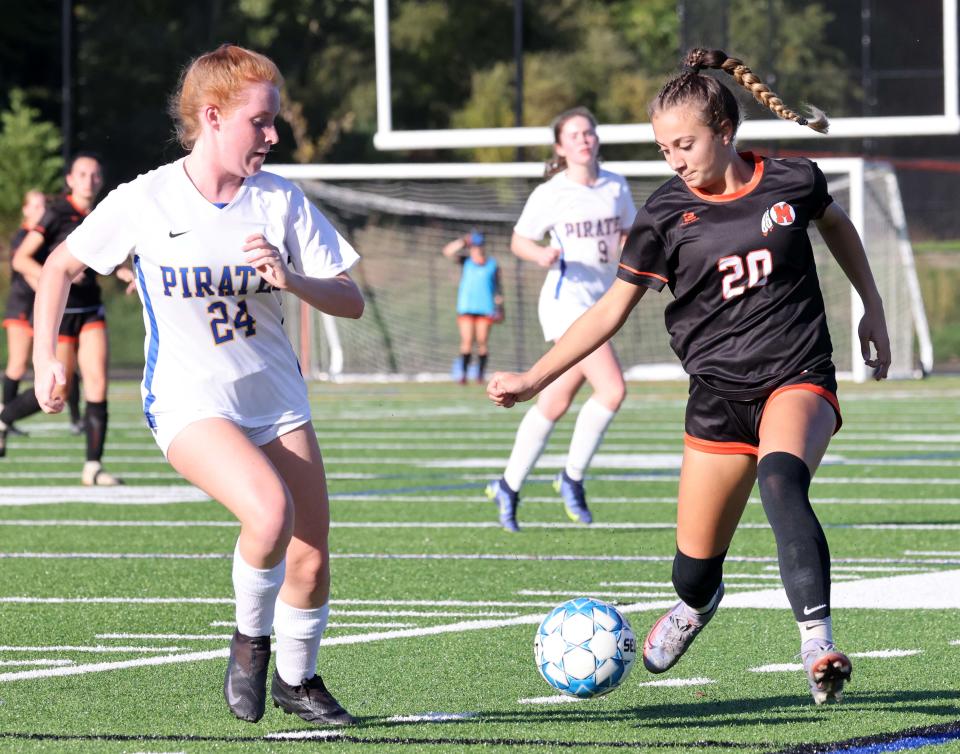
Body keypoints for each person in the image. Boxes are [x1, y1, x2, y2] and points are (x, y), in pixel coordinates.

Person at [487, 48, 891, 705]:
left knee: (782, 479)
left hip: (797, 375)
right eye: (663, 148)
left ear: (725, 132)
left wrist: (872, 308)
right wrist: (535, 378)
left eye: (685, 144)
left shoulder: (793, 182)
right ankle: (697, 606)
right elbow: (610, 310)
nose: (674, 159)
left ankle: (818, 642)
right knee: (693, 571)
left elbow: (838, 226)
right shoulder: (664, 214)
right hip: (716, 397)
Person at [32, 44, 363, 726]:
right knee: (269, 514)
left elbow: (351, 297)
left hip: (276, 401)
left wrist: (291, 278)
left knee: (310, 556)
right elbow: (60, 268)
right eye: (261, 121)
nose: (274, 135)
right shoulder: (146, 199)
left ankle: (297, 683)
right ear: (212, 116)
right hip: (189, 403)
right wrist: (45, 358)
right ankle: (249, 642)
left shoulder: (280, 201)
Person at [485, 107, 637, 532]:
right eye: (574, 135)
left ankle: (509, 485)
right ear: (560, 147)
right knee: (611, 389)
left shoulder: (615, 186)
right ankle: (571, 477)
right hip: (565, 302)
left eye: (588, 132)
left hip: (602, 299)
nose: (584, 140)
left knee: (554, 399)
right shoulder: (553, 192)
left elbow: (626, 234)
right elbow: (519, 240)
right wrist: (541, 253)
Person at [0, 155, 130, 480]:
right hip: (62, 314)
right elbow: (21, 258)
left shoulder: (104, 214)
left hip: (90, 310)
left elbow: (115, 257)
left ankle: (93, 467)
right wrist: (52, 278)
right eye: (82, 174)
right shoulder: (56, 212)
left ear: (101, 180)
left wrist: (130, 274)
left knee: (98, 382)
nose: (89, 179)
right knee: (58, 387)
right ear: (70, 179)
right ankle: (4, 418)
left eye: (95, 174)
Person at [1, 189, 47, 436]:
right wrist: (53, 287)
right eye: (36, 206)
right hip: (20, 307)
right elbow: (30, 276)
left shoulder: (41, 237)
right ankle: (4, 417)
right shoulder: (22, 238)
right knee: (17, 365)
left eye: (44, 206)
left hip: (34, 310)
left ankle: (6, 419)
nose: (41, 211)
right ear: (26, 210)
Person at [441, 229, 502, 384]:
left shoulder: (492, 265)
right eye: (474, 246)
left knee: (482, 341)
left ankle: (480, 375)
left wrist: (500, 307)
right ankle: (463, 374)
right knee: (467, 341)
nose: (477, 248)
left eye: (480, 245)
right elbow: (447, 251)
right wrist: (463, 241)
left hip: (485, 308)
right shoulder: (466, 261)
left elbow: (498, 289)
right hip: (467, 307)